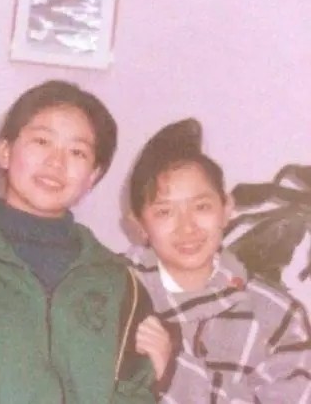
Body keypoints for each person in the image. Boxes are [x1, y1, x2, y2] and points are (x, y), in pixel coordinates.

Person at [0, 80, 161, 404]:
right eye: (42, 141)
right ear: (5, 151)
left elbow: (137, 388)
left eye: (77, 152)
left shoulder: (120, 283)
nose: (56, 162)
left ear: (93, 175)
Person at [126, 118, 311, 403]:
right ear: (139, 225)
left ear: (227, 208)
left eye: (201, 207)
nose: (187, 227)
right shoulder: (111, 292)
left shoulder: (277, 317)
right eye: (165, 212)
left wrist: (174, 372)